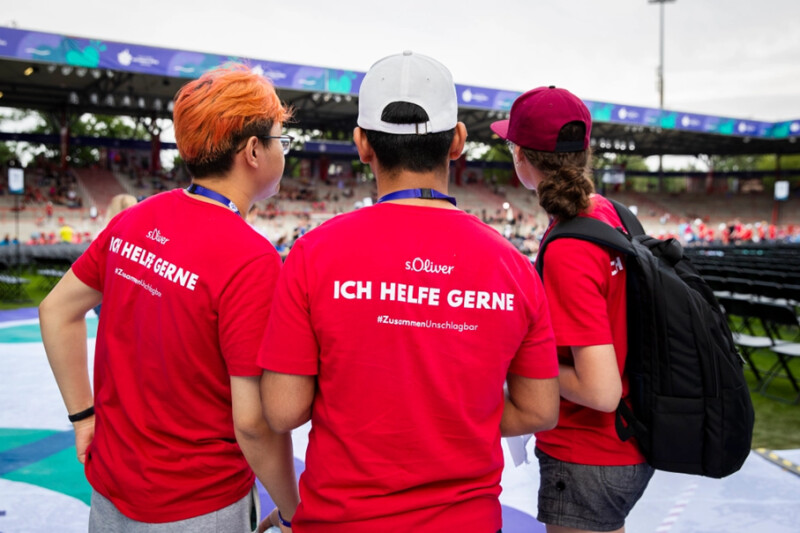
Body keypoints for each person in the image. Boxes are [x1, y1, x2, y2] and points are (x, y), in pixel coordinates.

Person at [258, 51, 560, 532]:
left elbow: (282, 410)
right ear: (458, 141)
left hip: (341, 520)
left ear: (362, 144)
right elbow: (540, 409)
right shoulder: (513, 266)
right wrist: (450, 415)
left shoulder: (313, 254)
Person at [39, 64, 299, 533]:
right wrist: (295, 510)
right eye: (282, 139)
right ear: (254, 150)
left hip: (111, 488)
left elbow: (56, 309)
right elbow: (254, 422)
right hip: (197, 503)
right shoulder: (250, 258)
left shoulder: (139, 217)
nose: (286, 151)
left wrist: (83, 418)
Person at [491, 86, 654, 533]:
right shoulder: (610, 213)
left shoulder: (571, 245)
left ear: (521, 157)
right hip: (627, 441)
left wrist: (518, 367)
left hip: (590, 451)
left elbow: (599, 391)